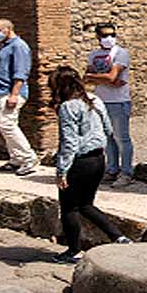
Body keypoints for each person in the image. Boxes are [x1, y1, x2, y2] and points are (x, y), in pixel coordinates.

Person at [48, 66, 131, 263]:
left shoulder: (68, 107)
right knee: (86, 205)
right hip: (98, 160)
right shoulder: (95, 100)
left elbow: (69, 142)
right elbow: (108, 129)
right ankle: (118, 236)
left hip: (79, 162)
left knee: (69, 208)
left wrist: (62, 171)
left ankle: (73, 251)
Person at [0, 18, 40, 176]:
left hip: (9, 92)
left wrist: (14, 94)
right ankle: (16, 158)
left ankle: (28, 158)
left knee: (7, 125)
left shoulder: (19, 46)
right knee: (5, 126)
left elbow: (21, 72)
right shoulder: (6, 47)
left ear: (8, 29)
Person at [84, 22, 134, 188]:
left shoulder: (120, 53)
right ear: (98, 37)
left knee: (122, 138)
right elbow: (87, 77)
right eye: (105, 35)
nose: (109, 38)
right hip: (101, 100)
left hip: (119, 101)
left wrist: (100, 78)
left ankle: (126, 172)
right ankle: (112, 169)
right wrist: (106, 80)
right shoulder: (93, 54)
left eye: (112, 35)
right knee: (107, 138)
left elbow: (111, 77)